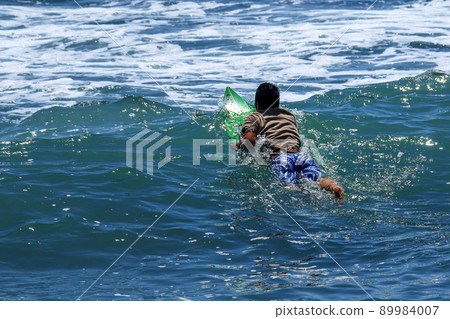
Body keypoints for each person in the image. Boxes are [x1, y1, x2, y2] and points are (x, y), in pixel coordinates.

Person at [236, 82, 344, 199]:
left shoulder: (254, 116)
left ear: (257, 105)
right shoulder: (289, 115)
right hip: (301, 156)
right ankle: (333, 187)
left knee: (289, 185)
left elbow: (250, 140)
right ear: (278, 102)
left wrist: (237, 145)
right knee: (318, 179)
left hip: (281, 159)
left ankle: (306, 196)